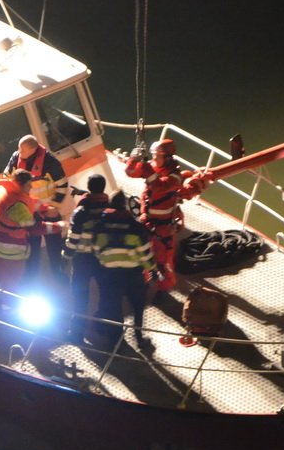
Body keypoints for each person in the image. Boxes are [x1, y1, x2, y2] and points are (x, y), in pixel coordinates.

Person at [124, 138, 211, 291]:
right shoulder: (152, 167)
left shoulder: (175, 177)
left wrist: (145, 168)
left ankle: (163, 290)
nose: (153, 159)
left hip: (163, 228)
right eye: (153, 155)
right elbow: (130, 173)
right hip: (147, 222)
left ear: (167, 158)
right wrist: (134, 159)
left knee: (164, 263)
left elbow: (159, 187)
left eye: (157, 156)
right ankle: (142, 284)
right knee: (141, 255)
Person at [0, 169, 63, 309]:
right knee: (13, 280)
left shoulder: (6, 190)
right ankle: (8, 309)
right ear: (20, 184)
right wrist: (59, 226)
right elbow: (33, 228)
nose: (31, 187)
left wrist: (44, 208)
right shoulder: (17, 205)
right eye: (29, 185)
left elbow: (29, 201)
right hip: (11, 248)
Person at [91, 193, 158, 350]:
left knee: (113, 308)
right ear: (125, 206)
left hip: (109, 274)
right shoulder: (136, 227)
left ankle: (116, 342)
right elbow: (145, 254)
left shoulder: (100, 226)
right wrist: (152, 270)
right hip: (133, 274)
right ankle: (139, 338)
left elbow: (95, 249)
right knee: (138, 307)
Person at [3, 134, 69, 280]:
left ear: (33, 149)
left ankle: (58, 274)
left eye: (23, 150)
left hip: (48, 210)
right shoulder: (16, 157)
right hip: (29, 211)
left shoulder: (50, 162)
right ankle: (31, 279)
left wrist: (54, 207)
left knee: (55, 246)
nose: (19, 153)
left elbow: (63, 185)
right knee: (31, 247)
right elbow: (6, 176)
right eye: (19, 150)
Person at [63, 173, 110, 340]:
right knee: (106, 293)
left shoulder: (80, 212)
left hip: (82, 259)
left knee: (80, 296)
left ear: (89, 189)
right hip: (104, 259)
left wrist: (66, 256)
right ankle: (104, 326)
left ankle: (77, 333)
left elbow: (73, 239)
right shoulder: (111, 209)